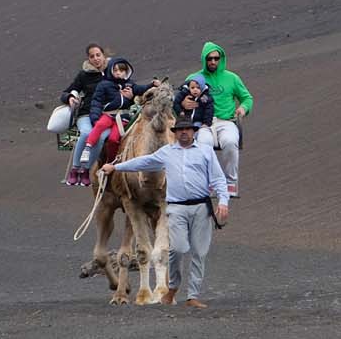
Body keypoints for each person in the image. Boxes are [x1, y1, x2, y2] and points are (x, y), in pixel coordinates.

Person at [101, 116, 230, 308]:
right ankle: (172, 288)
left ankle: (192, 296)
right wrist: (116, 167)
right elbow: (144, 162)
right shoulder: (167, 152)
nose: (184, 132)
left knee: (199, 252)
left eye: (187, 129)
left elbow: (218, 178)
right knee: (177, 249)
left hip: (201, 207)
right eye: (180, 130)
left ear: (193, 132)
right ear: (175, 132)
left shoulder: (205, 152)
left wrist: (223, 201)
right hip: (176, 207)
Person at [76, 56, 151, 183]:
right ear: (111, 71)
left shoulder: (130, 85)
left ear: (126, 71)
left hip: (122, 118)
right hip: (108, 114)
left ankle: (110, 162)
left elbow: (141, 89)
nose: (118, 73)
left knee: (113, 138)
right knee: (99, 125)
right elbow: (97, 101)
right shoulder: (104, 85)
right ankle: (87, 148)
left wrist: (152, 85)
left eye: (121, 70)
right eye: (115, 70)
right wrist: (95, 117)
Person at [196, 41, 253, 200]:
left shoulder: (232, 78)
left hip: (226, 121)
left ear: (221, 59)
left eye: (216, 58)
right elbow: (182, 97)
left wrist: (243, 108)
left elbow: (247, 98)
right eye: (209, 58)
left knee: (229, 141)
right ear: (204, 59)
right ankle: (208, 183)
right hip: (204, 123)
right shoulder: (196, 78)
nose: (213, 61)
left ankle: (230, 183)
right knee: (203, 143)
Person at [59, 44, 109, 186]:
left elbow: (128, 83)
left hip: (107, 115)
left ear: (103, 55)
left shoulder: (113, 70)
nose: (96, 58)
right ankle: (75, 169)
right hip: (86, 113)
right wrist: (69, 97)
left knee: (101, 138)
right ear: (89, 58)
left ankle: (86, 170)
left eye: (98, 55)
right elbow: (66, 92)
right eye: (92, 56)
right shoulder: (84, 75)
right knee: (87, 133)